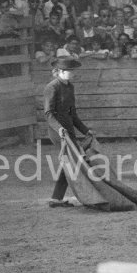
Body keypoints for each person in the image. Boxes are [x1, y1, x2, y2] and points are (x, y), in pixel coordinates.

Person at [43, 56, 95, 208]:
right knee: (72, 161)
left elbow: (73, 115)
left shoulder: (70, 87)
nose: (71, 72)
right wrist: (59, 129)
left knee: (70, 162)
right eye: (68, 70)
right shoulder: (51, 87)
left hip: (69, 131)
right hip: (57, 131)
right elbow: (48, 114)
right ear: (59, 71)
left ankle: (56, 199)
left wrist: (86, 131)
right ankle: (61, 198)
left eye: (72, 70)